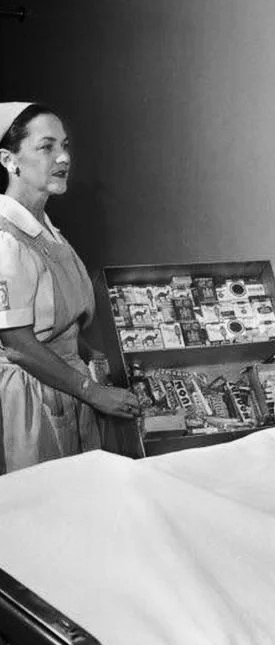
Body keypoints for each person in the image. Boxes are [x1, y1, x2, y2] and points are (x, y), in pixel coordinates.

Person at [0, 102, 141, 474]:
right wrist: (92, 391)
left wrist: (89, 352)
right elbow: (18, 345)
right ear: (9, 160)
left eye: (64, 145)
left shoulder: (47, 229)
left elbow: (57, 319)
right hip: (31, 399)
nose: (63, 157)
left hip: (67, 385)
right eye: (46, 147)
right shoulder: (5, 239)